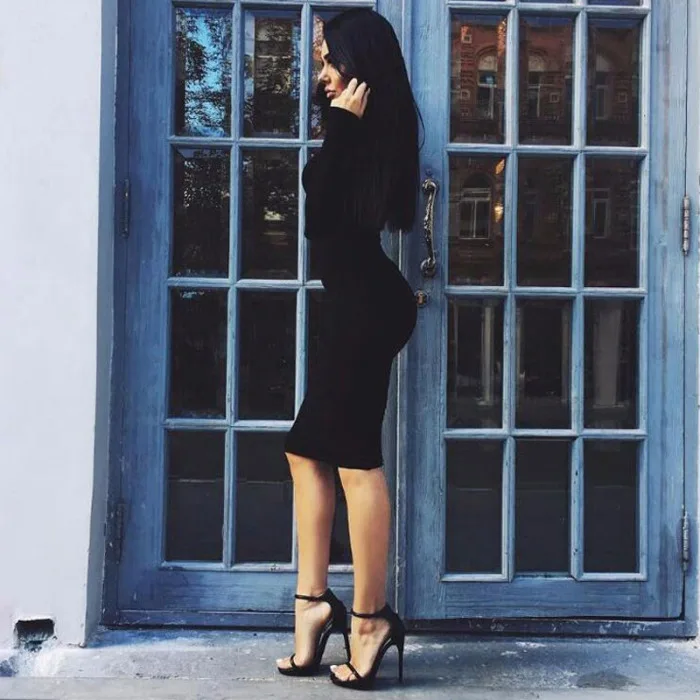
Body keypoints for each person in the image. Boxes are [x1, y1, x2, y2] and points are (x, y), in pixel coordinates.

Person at [275, 7, 422, 690]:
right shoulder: (353, 130)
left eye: (332, 60)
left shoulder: (365, 132)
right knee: (306, 451)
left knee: (356, 462)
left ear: (361, 61)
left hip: (367, 309)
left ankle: (369, 620)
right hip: (357, 307)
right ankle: (313, 605)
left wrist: (340, 129)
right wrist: (339, 129)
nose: (324, 74)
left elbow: (321, 221)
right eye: (321, 62)